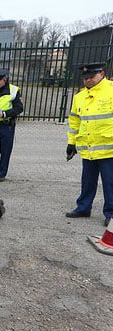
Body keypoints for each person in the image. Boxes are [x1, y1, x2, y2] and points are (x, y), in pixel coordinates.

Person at [65, 62, 113, 227]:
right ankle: (83, 208)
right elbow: (74, 121)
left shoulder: (111, 90)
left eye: (91, 77)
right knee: (87, 181)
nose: (88, 80)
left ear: (102, 73)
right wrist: (71, 143)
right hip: (88, 148)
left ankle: (111, 214)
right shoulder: (79, 97)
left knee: (110, 182)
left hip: (109, 148)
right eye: (85, 78)